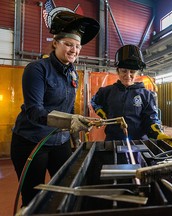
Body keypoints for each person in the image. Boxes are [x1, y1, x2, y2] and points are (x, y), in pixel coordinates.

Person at [10, 11, 100, 207]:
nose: (73, 50)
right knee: (34, 197)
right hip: (32, 140)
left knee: (69, 188)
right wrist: (70, 121)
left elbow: (67, 108)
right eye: (68, 44)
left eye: (77, 46)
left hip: (59, 140)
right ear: (55, 43)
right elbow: (35, 111)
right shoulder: (37, 69)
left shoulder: (72, 74)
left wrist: (75, 134)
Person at [90, 44, 172, 145]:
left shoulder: (146, 95)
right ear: (117, 71)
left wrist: (158, 134)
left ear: (137, 73)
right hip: (112, 141)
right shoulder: (107, 91)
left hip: (138, 143)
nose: (128, 75)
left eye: (132, 72)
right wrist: (100, 111)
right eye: (124, 71)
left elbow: (151, 119)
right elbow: (94, 101)